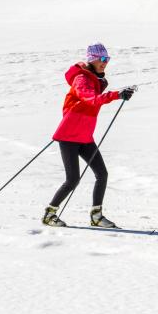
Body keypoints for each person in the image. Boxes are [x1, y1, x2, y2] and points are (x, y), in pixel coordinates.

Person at [42, 43, 135, 229]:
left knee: (102, 174)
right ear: (91, 59)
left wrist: (119, 95)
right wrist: (117, 95)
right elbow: (91, 99)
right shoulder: (81, 79)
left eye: (107, 59)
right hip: (69, 136)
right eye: (101, 59)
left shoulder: (95, 79)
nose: (104, 63)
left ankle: (96, 216)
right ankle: (49, 214)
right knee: (72, 180)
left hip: (85, 136)